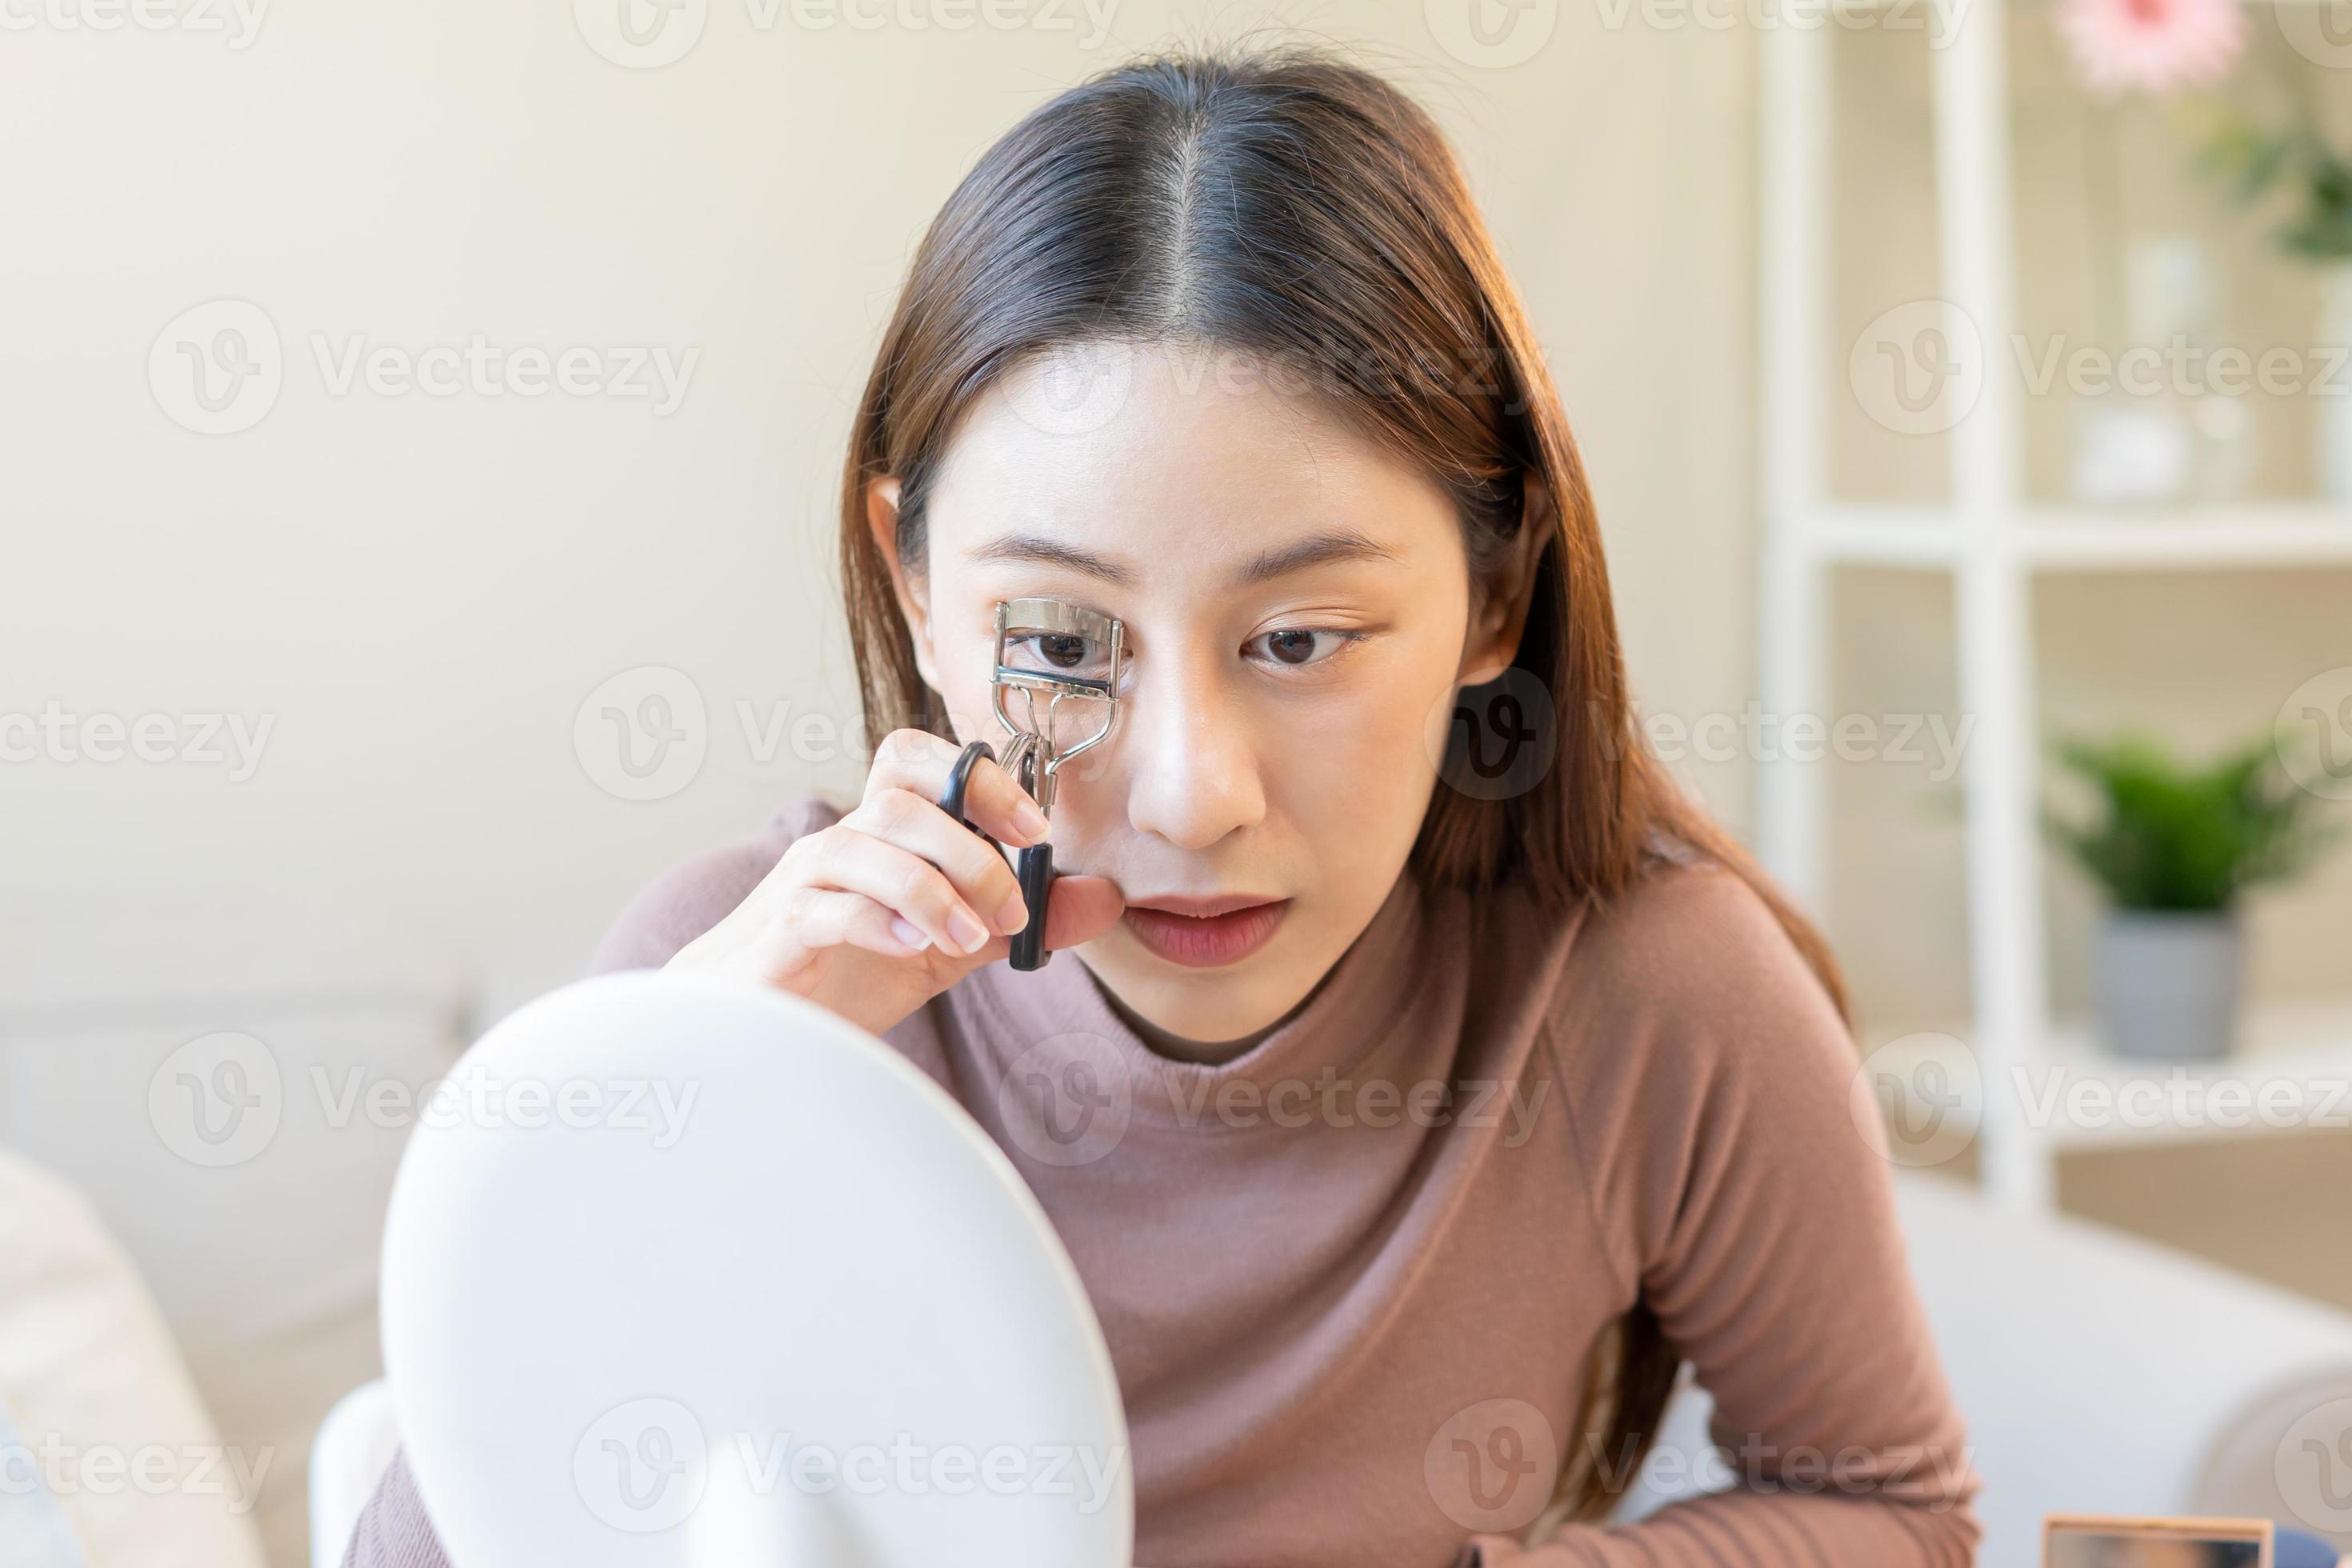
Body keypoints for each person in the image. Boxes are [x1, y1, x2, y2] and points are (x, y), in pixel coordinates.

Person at [345, 45, 1982, 1567]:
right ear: (915, 583)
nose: (1196, 797)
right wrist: (667, 1093)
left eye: (1299, 639)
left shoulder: (1653, 998)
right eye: (1062, 642)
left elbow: (1888, 1504)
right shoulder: (734, 971)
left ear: (1497, 594)